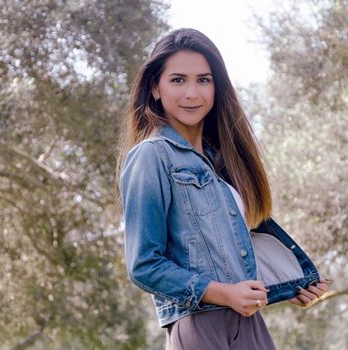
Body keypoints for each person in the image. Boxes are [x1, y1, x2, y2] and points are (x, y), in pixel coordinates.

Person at [116, 28, 330, 350]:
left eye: (203, 80)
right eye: (178, 80)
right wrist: (225, 294)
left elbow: (231, 252)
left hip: (249, 323)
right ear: (155, 89)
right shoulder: (152, 156)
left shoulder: (221, 162)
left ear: (216, 87)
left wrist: (290, 287)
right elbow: (144, 264)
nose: (192, 93)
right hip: (200, 326)